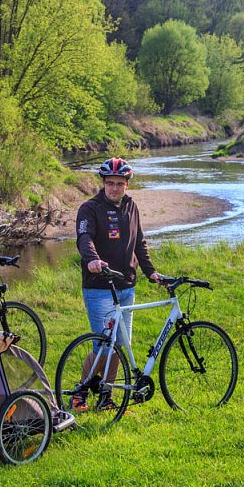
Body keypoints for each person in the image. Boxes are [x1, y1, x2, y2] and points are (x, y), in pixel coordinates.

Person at [73, 157, 162, 411]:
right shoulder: (89, 208)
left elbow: (139, 242)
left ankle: (106, 396)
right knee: (104, 344)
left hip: (127, 286)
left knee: (120, 346)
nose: (114, 188)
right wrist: (92, 259)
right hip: (99, 286)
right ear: (103, 183)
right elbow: (84, 238)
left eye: (119, 184)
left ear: (126, 184)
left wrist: (151, 272)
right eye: (109, 183)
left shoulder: (131, 207)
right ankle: (80, 391)